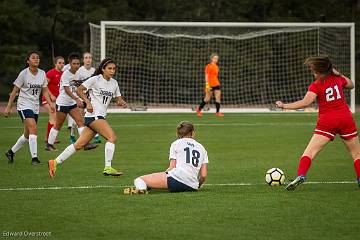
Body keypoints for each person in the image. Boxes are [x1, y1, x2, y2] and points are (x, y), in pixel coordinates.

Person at [275, 56, 360, 190]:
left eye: (314, 70)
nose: (312, 72)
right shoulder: (338, 79)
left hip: (328, 122)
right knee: (356, 154)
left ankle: (301, 175)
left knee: (309, 152)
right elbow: (351, 85)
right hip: (345, 119)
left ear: (321, 71)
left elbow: (305, 102)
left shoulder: (316, 85)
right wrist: (340, 74)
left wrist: (284, 106)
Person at [48, 58, 127, 177]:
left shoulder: (114, 83)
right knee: (112, 138)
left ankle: (54, 162)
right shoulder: (95, 79)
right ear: (103, 69)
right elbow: (80, 90)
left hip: (97, 117)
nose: (112, 71)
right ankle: (108, 167)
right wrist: (87, 102)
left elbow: (118, 99)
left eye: (114, 69)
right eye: (109, 68)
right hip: (94, 116)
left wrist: (122, 102)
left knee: (78, 145)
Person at [124, 121, 208, 194]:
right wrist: (197, 185)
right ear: (192, 132)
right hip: (192, 186)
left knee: (139, 179)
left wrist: (161, 177)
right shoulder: (202, 148)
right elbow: (203, 175)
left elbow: (172, 167)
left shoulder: (176, 143)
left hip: (176, 180)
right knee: (155, 180)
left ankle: (141, 189)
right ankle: (146, 187)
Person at [4, 51, 54, 165]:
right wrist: (8, 107)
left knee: (27, 135)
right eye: (33, 58)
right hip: (24, 105)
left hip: (35, 106)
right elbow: (14, 91)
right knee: (33, 128)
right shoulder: (23, 74)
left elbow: (45, 90)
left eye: (38, 58)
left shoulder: (42, 73)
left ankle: (11, 152)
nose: (36, 59)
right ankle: (34, 159)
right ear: (28, 61)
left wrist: (50, 102)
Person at [46, 52, 98, 151]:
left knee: (80, 122)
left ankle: (85, 144)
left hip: (72, 103)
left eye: (78, 64)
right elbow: (67, 90)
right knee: (58, 125)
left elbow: (80, 85)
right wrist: (77, 99)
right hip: (63, 103)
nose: (76, 66)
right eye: (74, 64)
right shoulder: (66, 74)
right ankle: (49, 145)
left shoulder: (79, 73)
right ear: (70, 64)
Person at [75, 52, 101, 144]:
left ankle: (96, 136)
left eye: (90, 57)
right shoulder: (79, 71)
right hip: (81, 97)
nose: (88, 59)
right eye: (86, 57)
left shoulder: (94, 71)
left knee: (94, 117)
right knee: (81, 120)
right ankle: (80, 139)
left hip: (91, 98)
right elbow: (75, 85)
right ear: (83, 60)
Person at [42, 56, 64, 143]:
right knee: (53, 114)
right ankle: (50, 139)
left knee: (55, 118)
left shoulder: (63, 73)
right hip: (47, 99)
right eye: (59, 63)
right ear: (55, 63)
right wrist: (51, 95)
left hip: (57, 100)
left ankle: (48, 137)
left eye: (63, 63)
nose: (61, 64)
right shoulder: (50, 73)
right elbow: (44, 85)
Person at [196, 53, 224, 117]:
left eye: (217, 58)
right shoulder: (208, 66)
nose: (216, 60)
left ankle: (217, 112)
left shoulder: (217, 66)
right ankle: (199, 110)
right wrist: (207, 85)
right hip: (209, 84)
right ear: (211, 59)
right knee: (207, 99)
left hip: (216, 84)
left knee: (218, 98)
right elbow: (206, 76)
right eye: (215, 58)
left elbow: (215, 76)